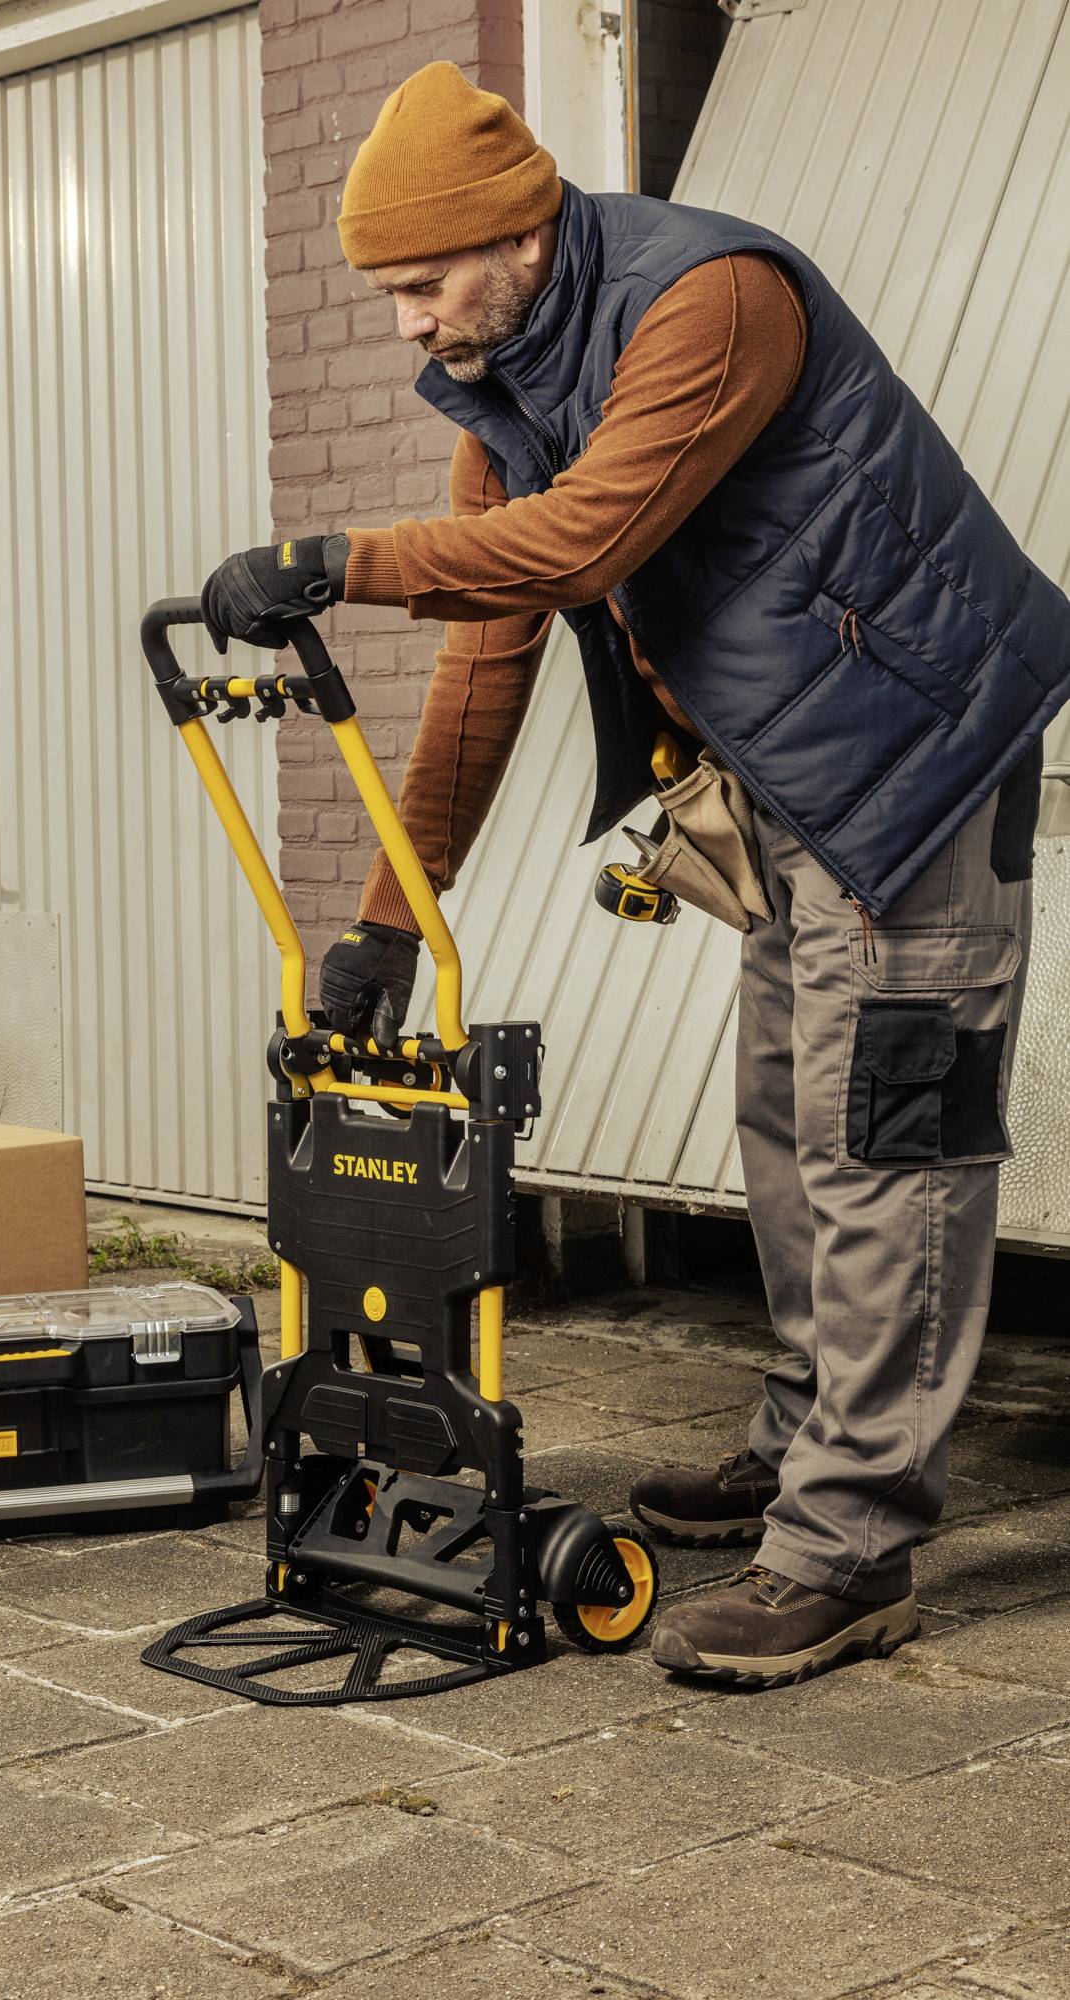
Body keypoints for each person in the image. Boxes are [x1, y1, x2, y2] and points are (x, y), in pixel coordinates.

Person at [200, 62, 1070, 1687]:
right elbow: (487, 655)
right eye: (382, 293)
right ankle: (807, 1443)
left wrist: (342, 561)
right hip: (789, 778)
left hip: (922, 761)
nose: (402, 323)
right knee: (788, 1133)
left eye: (418, 283)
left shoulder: (712, 295)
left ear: (518, 236)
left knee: (883, 1145)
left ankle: (852, 1548)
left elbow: (583, 542)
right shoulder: (504, 378)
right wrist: (395, 919)